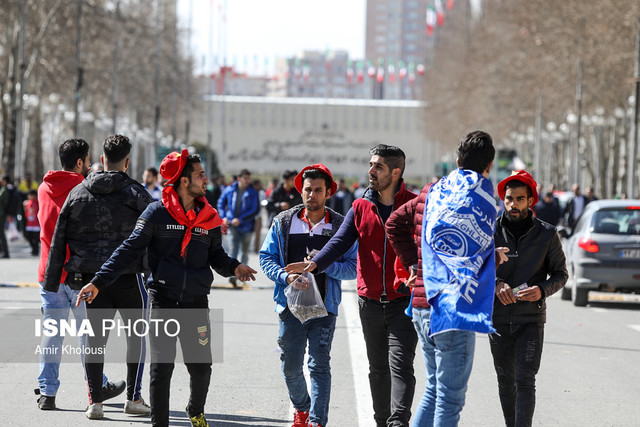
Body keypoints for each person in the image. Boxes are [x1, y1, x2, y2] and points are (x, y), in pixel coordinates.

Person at [76, 149, 257, 427]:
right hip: (163, 301)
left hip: (196, 303)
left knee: (200, 370)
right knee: (161, 370)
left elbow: (216, 256)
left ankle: (195, 409)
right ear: (184, 181)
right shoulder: (156, 213)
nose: (205, 179)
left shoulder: (208, 217)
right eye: (199, 174)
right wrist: (99, 281)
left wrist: (234, 267)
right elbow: (128, 250)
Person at [285, 145, 418, 427]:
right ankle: (382, 421)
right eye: (371, 164)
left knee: (401, 366)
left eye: (378, 167)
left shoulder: (414, 205)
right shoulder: (360, 206)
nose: (371, 171)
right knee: (378, 369)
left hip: (403, 300)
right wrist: (315, 263)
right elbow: (339, 242)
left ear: (396, 172)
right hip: (368, 301)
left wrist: (419, 273)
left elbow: (425, 247)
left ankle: (398, 423)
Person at [44, 134, 153, 419]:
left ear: (102, 160)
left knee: (94, 341)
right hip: (129, 278)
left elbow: (59, 238)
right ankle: (134, 398)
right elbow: (158, 234)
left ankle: (95, 402)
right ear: (127, 162)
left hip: (90, 281)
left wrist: (54, 279)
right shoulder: (137, 193)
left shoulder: (78, 192)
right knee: (136, 338)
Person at [402, 130, 501, 426]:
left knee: (434, 390)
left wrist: (412, 264)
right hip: (452, 309)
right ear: (490, 166)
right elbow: (476, 251)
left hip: (422, 302)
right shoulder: (484, 199)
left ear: (457, 160)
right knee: (449, 398)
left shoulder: (430, 192)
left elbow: (394, 223)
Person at [260, 164, 357, 427]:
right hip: (289, 307)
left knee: (318, 365)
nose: (311, 195)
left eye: (318, 190)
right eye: (307, 190)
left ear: (328, 193)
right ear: (300, 191)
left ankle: (316, 421)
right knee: (290, 366)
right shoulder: (282, 221)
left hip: (325, 308)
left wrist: (323, 264)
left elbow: (353, 267)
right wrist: (286, 277)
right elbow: (266, 257)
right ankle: (301, 409)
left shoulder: (341, 226)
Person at [35, 138, 124, 410]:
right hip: (79, 274)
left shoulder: (42, 187)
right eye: (87, 160)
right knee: (89, 336)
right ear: (79, 162)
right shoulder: (82, 188)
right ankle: (96, 388)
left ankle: (47, 392)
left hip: (49, 273)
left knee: (52, 333)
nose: (89, 165)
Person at [491, 170, 568, 427]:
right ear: (503, 199)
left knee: (525, 380)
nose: (514, 204)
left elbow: (561, 274)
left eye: (520, 199)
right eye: (510, 198)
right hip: (498, 317)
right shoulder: (490, 230)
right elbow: (473, 269)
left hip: (531, 318)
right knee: (505, 380)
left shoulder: (546, 234)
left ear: (531, 200)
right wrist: (495, 284)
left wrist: (542, 290)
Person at [217, 169, 260, 286]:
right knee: (233, 249)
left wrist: (241, 219)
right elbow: (221, 203)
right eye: (245, 178)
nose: (247, 181)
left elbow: (255, 210)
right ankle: (234, 274)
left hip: (247, 227)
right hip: (232, 226)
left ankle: (244, 274)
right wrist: (224, 217)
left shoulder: (252, 192)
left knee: (245, 251)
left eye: (248, 178)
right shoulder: (229, 189)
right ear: (239, 178)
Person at [23, 189, 40, 255]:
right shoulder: (28, 203)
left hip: (36, 224)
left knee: (35, 239)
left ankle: (36, 250)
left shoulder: (37, 203)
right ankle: (33, 248)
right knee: (29, 238)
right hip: (29, 224)